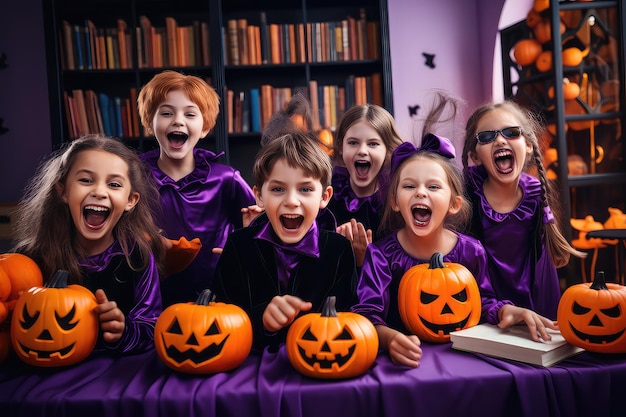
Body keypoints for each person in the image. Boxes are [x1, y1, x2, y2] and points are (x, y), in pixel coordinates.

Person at [352, 133, 561, 368]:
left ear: (454, 204)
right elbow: (368, 314)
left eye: (433, 186)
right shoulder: (381, 255)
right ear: (395, 202)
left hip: (464, 358)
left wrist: (507, 311)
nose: (421, 192)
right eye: (409, 186)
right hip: (410, 360)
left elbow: (482, 301)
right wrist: (389, 339)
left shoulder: (471, 251)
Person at [12, 134, 166, 354]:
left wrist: (122, 330)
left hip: (115, 371)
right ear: (63, 191)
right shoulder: (31, 258)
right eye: (86, 180)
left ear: (130, 201)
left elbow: (150, 327)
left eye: (113, 184)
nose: (99, 192)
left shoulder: (137, 257)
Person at [211, 132, 358, 351]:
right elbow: (216, 323)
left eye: (305, 189)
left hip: (319, 364)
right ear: (260, 196)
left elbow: (349, 322)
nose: (291, 201)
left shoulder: (339, 250)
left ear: (324, 197)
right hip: (249, 366)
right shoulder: (238, 246)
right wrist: (261, 318)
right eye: (278, 189)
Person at [137, 70, 257, 306]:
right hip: (150, 295)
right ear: (150, 124)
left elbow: (258, 225)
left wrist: (243, 245)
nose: (178, 120)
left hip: (217, 298)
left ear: (204, 128)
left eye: (189, 114)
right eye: (167, 113)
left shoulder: (226, 179)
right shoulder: (134, 177)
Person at [461, 101, 586, 321]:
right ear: (475, 155)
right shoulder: (465, 196)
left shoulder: (536, 195)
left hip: (536, 308)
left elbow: (544, 269)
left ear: (529, 145)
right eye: (487, 137)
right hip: (485, 309)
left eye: (511, 132)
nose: (500, 140)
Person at [329, 104, 404, 266]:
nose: (362, 150)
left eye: (373, 144)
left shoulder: (396, 201)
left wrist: (365, 257)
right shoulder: (328, 195)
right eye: (353, 143)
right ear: (341, 147)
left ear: (388, 150)